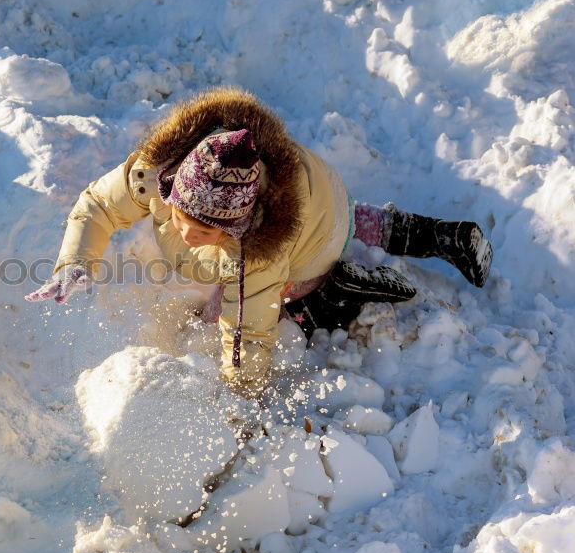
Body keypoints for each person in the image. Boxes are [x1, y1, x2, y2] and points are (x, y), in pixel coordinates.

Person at [25, 87, 492, 399]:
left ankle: (342, 289)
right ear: (171, 188)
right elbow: (97, 208)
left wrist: (241, 393)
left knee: (285, 286)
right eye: (179, 217)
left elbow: (246, 330)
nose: (186, 233)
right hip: (322, 193)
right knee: (356, 220)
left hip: (313, 235)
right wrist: (76, 261)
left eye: (205, 232)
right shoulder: (154, 174)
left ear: (238, 225)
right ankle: (444, 236)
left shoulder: (259, 251)